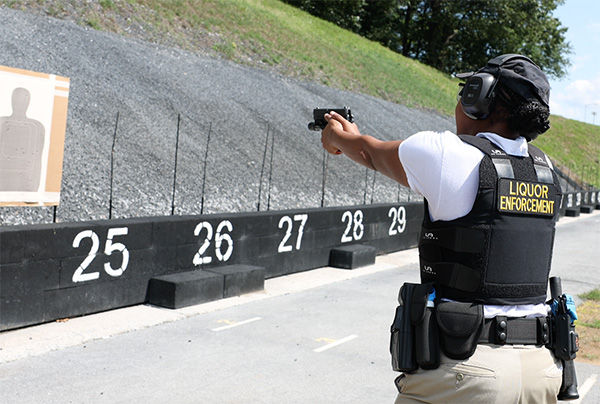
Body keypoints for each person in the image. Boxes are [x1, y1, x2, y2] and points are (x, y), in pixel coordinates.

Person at [321, 54, 564, 403]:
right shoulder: (546, 172)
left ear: (478, 97)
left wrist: (337, 137)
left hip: (467, 368)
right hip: (541, 371)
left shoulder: (448, 153)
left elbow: (370, 154)